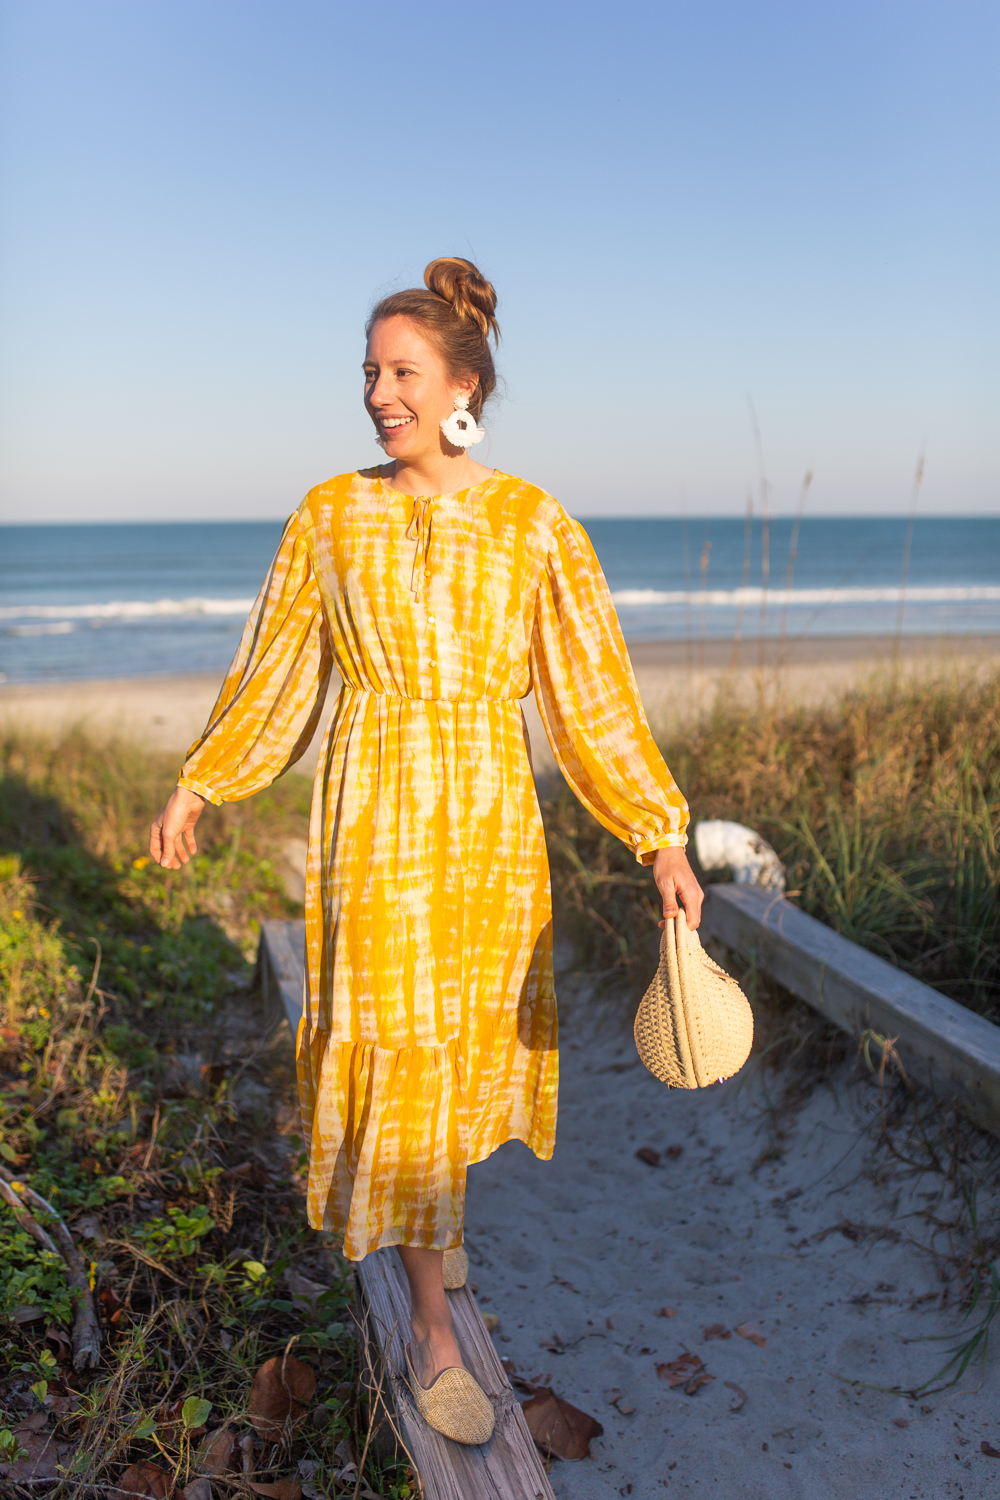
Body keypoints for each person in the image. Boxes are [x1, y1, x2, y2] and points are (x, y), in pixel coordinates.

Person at [150, 257, 703, 1445]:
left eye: (402, 372)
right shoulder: (329, 514)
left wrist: (660, 831)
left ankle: (435, 1237)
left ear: (462, 385)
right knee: (397, 1060)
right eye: (367, 372)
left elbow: (590, 696)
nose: (378, 393)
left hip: (492, 832)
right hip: (374, 828)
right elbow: (277, 671)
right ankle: (436, 1330)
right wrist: (205, 779)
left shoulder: (533, 523)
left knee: (457, 1057)